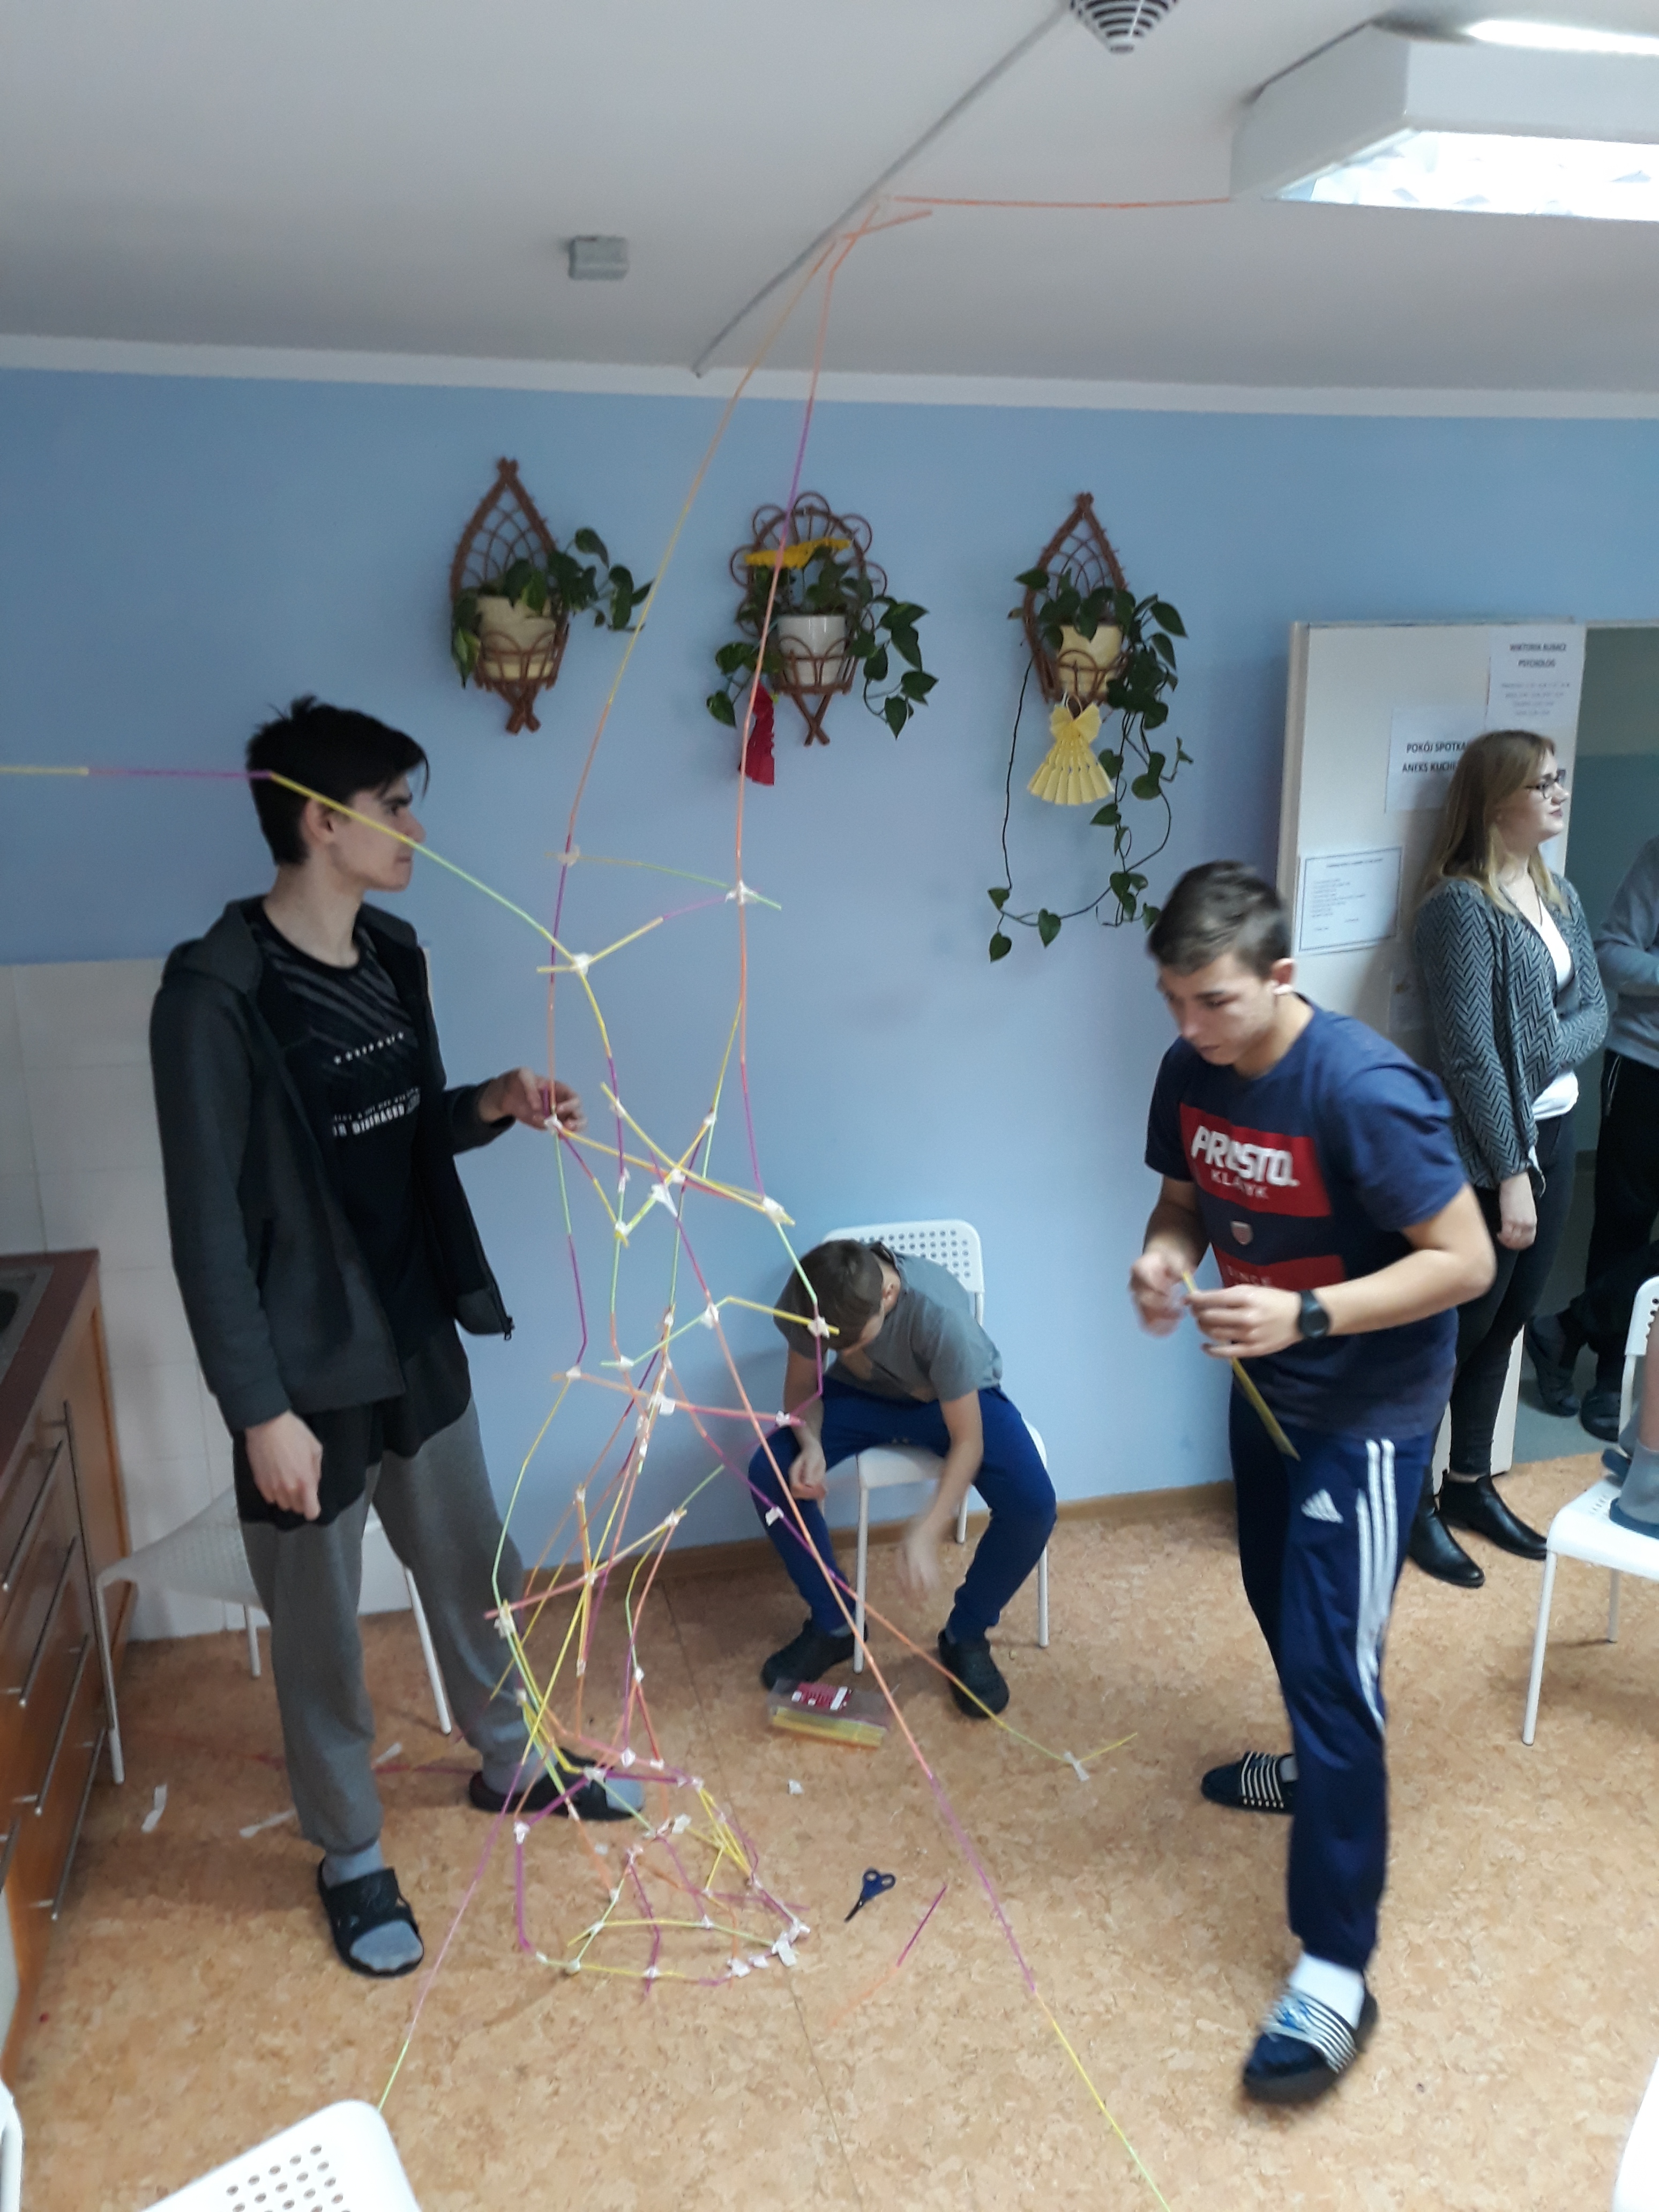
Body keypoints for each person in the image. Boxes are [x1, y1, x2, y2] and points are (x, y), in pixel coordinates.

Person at [150, 697, 636, 1982]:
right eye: (394, 806)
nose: (415, 828)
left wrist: (493, 1103)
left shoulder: (392, 953)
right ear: (322, 822)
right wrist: (259, 1411)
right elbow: (206, 1228)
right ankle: (351, 1850)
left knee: (475, 1563)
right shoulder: (215, 996)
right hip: (306, 1368)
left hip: (416, 1328)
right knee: (319, 1625)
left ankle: (511, 1760)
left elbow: (405, 1128)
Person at [1130, 861, 1492, 2105]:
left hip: (1367, 1416)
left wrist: (1310, 1312)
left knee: (1336, 1666)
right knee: (1282, 1608)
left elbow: (1465, 1260)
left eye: (1214, 1000)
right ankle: (1313, 1764)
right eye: (1173, 1000)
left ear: (1281, 976)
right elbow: (1182, 1203)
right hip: (1265, 1395)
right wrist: (1161, 1260)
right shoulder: (1191, 1068)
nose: (1190, 1025)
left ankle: (1337, 1969)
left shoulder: (1363, 1087)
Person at [1410, 732, 1606, 1585]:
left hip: (1556, 1128)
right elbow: (1470, 1059)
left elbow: (1595, 1012)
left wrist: (1536, 1050)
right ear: (1495, 805)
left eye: (1559, 780)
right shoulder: (1458, 908)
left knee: (1511, 1321)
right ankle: (1413, 1501)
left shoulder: (1558, 892)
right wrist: (1512, 1172)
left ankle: (1468, 1484)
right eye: (1541, 784)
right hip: (1489, 1153)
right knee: (1460, 1330)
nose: (1559, 794)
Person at [746, 1239, 1056, 1717]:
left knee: (1032, 1504)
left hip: (948, 1401)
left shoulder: (942, 1320)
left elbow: (968, 1442)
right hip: (861, 1399)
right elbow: (805, 1389)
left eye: (852, 1344)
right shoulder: (813, 1293)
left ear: (888, 1297)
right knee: (769, 1471)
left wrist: (926, 1529)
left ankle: (966, 1634)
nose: (843, 1352)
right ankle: (835, 1623)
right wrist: (810, 1444)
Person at [1528, 833, 1659, 1440]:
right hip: (1645, 1067)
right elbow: (1610, 954)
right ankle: (1611, 1380)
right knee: (1623, 1224)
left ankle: (1569, 1326)